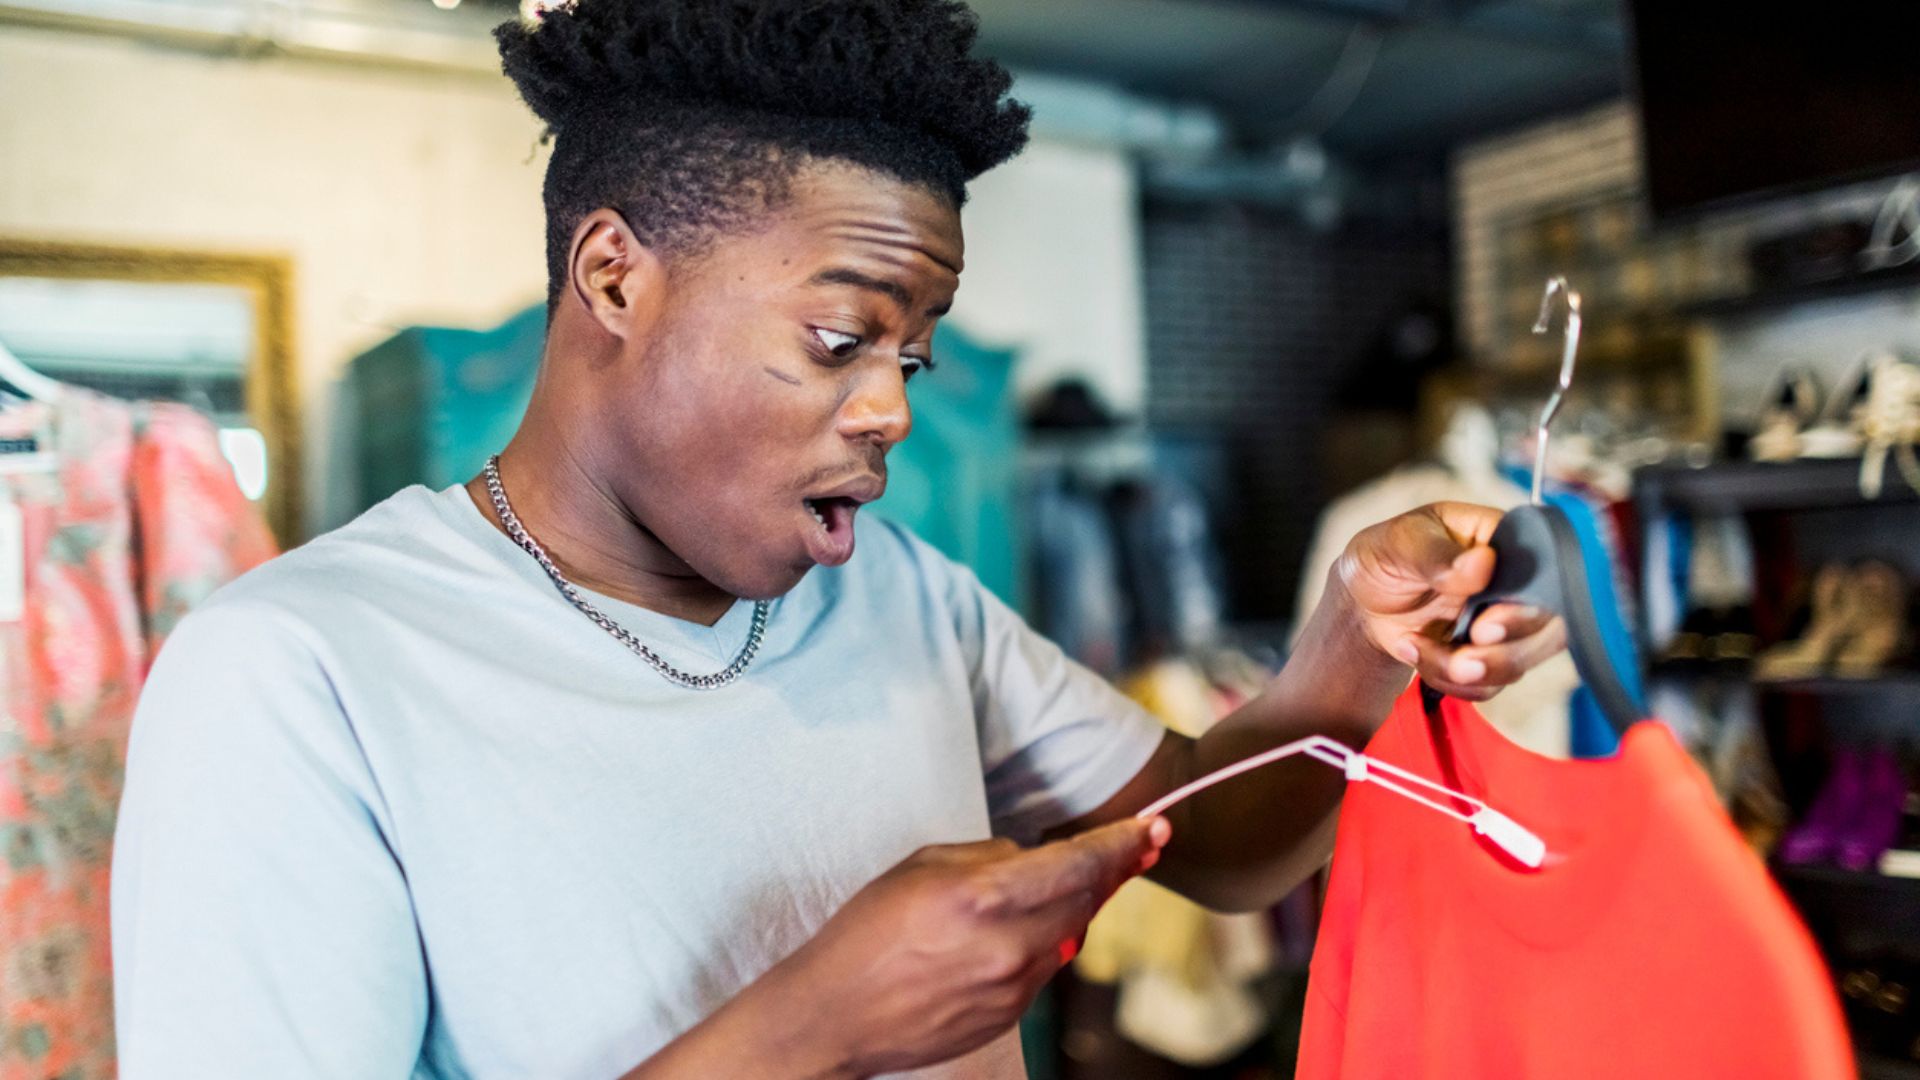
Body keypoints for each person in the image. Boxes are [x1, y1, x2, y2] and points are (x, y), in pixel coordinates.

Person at [108, 1, 1566, 1077]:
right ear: (615, 275)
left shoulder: (903, 602)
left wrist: (1349, 648)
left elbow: (1220, 845)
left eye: (913, 361)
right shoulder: (298, 672)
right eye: (836, 339)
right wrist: (807, 1030)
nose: (889, 412)